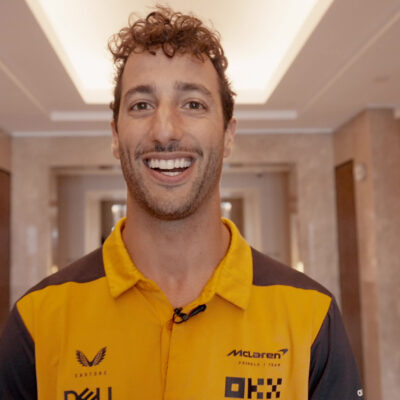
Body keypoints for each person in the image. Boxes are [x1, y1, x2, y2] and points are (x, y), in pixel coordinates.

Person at [0, 6, 363, 399]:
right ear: (116, 136)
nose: (165, 130)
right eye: (141, 105)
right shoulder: (38, 318)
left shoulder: (311, 314)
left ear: (228, 135)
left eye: (193, 104)